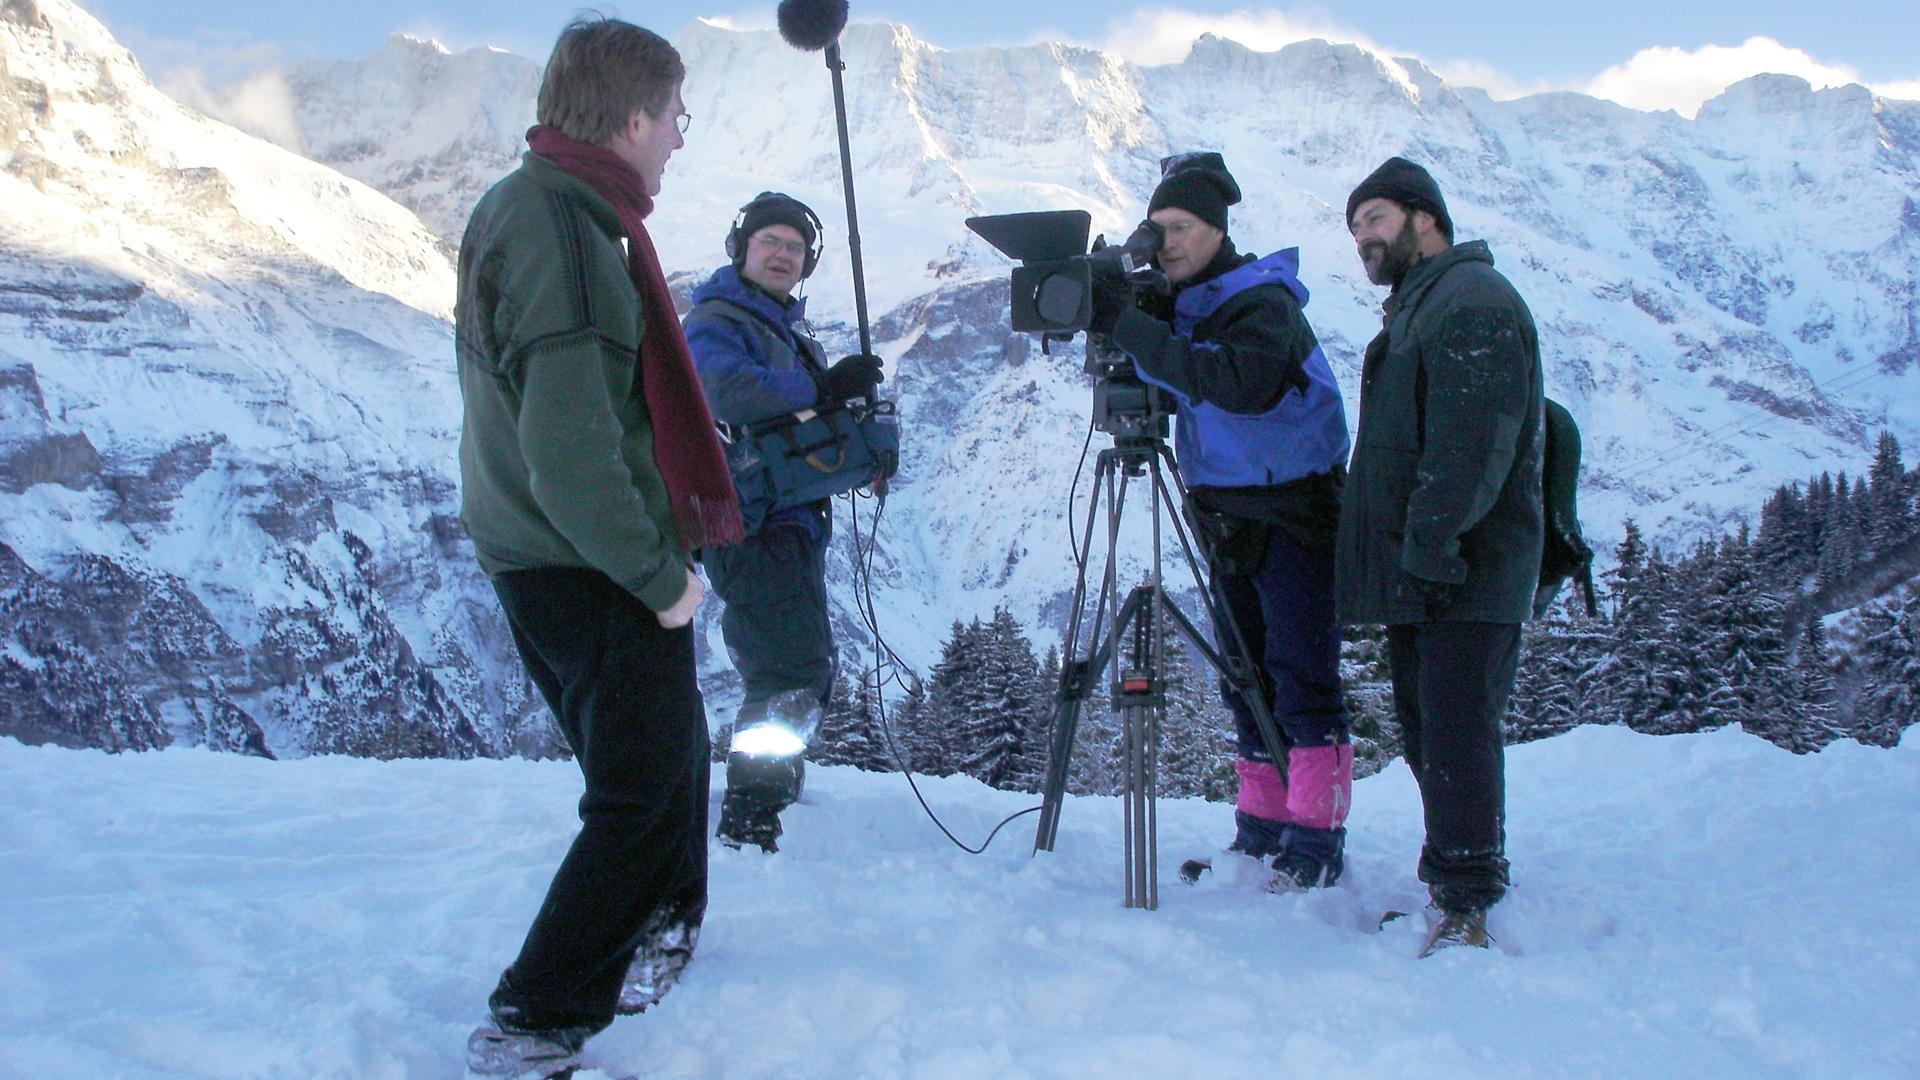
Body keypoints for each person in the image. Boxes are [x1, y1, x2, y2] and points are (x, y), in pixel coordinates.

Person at [452, 17, 744, 1077]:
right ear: (630, 120)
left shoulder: (536, 202)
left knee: (669, 758)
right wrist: (659, 578)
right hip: (581, 559)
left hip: (543, 545)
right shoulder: (571, 237)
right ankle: (534, 1019)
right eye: (674, 117)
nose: (678, 139)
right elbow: (571, 451)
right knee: (638, 793)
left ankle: (660, 923)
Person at [1089, 152, 1354, 890]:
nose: (1166, 243)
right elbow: (1174, 380)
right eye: (1157, 228)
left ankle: (1317, 841)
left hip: (1296, 514)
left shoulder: (1260, 303)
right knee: (1246, 678)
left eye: (1181, 227)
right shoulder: (1192, 303)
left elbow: (1235, 384)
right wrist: (1126, 317)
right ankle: (1262, 829)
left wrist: (1129, 325)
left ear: (1217, 230)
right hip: (1229, 517)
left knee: (1302, 678)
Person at [1337, 156, 1545, 954]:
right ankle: (1456, 883)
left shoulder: (1471, 300)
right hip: (1432, 567)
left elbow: (1471, 447)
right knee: (1433, 732)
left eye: (1377, 218)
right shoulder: (1426, 305)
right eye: (1355, 226)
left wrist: (1429, 549)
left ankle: (1467, 902)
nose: (1364, 236)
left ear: (1426, 218)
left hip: (1463, 568)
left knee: (1456, 733)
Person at [683, 192, 883, 852]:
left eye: (794, 248)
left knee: (801, 664)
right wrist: (822, 387)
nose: (782, 255)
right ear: (741, 248)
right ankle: (751, 813)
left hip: (784, 521)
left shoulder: (780, 331)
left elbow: (796, 435)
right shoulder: (717, 319)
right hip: (749, 524)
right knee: (788, 669)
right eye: (770, 241)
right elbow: (723, 390)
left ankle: (770, 795)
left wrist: (860, 445)